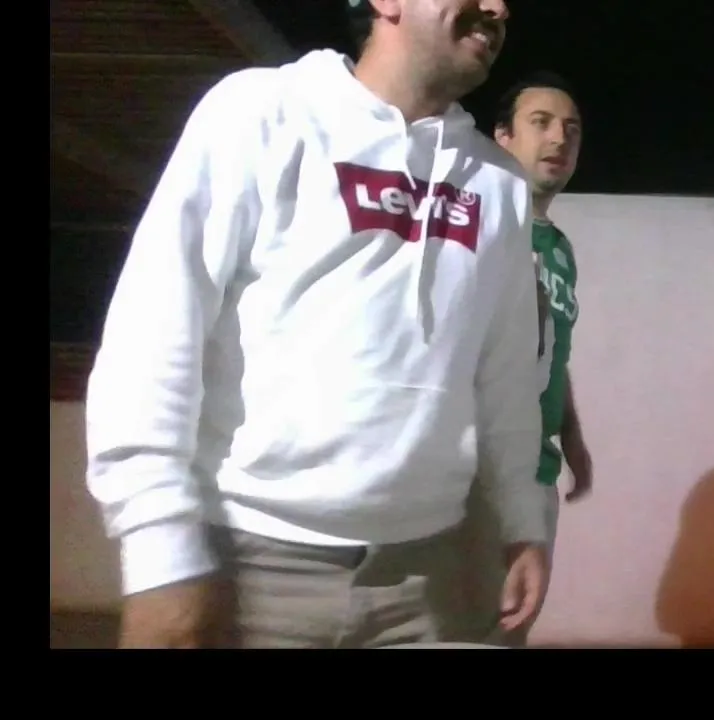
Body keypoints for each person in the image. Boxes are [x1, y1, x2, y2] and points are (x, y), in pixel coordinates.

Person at [83, 0, 552, 649]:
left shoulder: (498, 184)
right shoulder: (262, 113)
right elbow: (155, 331)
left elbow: (506, 375)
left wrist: (524, 524)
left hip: (427, 581)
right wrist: (158, 549)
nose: (498, 7)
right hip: (247, 571)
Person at [457, 71, 591, 647]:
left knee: (509, 631)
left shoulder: (559, 249)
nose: (559, 138)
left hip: (536, 470)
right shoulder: (472, 226)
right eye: (541, 123)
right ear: (502, 136)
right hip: (472, 475)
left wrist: (573, 438)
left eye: (571, 129)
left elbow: (550, 348)